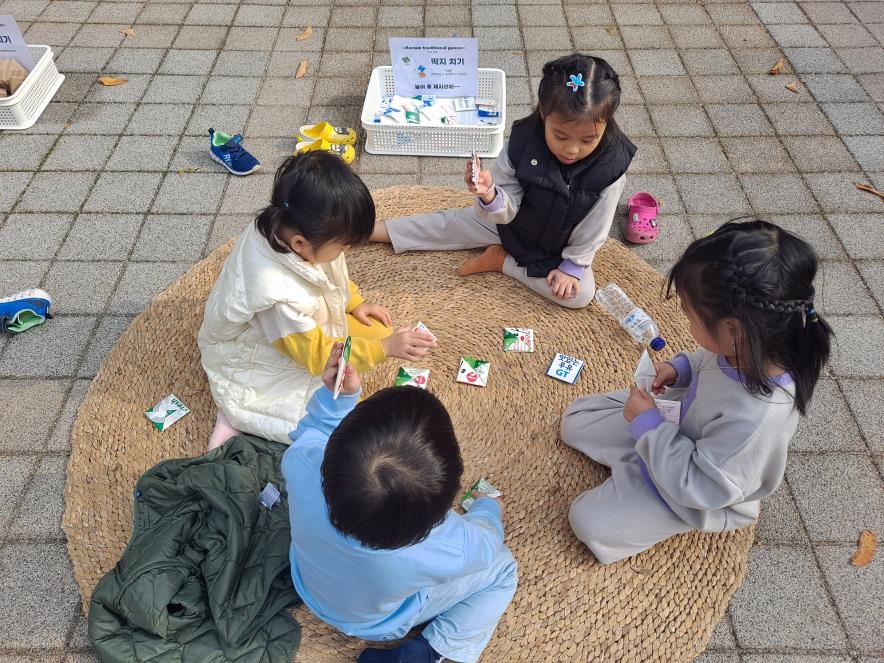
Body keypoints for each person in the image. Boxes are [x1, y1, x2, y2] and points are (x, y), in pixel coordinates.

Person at [560, 220, 833, 564]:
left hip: (691, 489)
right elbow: (708, 358)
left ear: (734, 330)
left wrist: (647, 427)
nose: (686, 325)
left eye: (690, 317)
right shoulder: (745, 347)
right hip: (674, 431)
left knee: (587, 522)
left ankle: (642, 465)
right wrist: (681, 369)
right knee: (576, 419)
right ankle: (641, 457)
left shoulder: (757, 417)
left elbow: (701, 486)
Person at [283, 343, 518, 663]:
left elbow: (313, 430)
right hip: (376, 624)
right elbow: (487, 546)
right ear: (443, 505)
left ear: (335, 449)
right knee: (503, 569)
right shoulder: (451, 545)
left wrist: (341, 397)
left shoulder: (301, 462)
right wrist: (488, 509)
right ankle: (428, 651)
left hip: (305, 580)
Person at [198, 152, 436, 447]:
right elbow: (319, 357)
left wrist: (354, 303)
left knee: (380, 332)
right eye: (343, 246)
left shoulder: (293, 233)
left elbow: (331, 275)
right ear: (300, 243)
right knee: (323, 425)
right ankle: (232, 420)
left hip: (301, 327)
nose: (345, 252)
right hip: (254, 351)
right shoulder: (277, 299)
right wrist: (384, 349)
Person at [370, 53, 636, 308]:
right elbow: (506, 211)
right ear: (543, 113)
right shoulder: (521, 144)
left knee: (581, 295)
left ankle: (503, 262)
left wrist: (573, 265)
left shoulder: (610, 169)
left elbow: (595, 229)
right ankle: (373, 230)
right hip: (511, 225)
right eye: (561, 136)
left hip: (559, 244)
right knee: (445, 224)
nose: (572, 150)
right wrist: (490, 196)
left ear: (606, 124)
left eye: (588, 140)